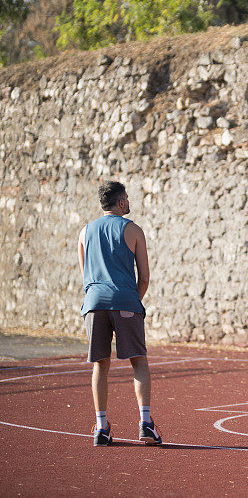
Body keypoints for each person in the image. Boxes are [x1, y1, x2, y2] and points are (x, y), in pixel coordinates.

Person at [78, 180, 162, 446]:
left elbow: (86, 275)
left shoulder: (84, 232)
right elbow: (145, 278)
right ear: (121, 201)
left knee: (100, 363)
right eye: (127, 197)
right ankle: (146, 424)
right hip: (125, 299)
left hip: (94, 303)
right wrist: (131, 303)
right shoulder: (133, 230)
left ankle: (101, 427)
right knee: (138, 361)